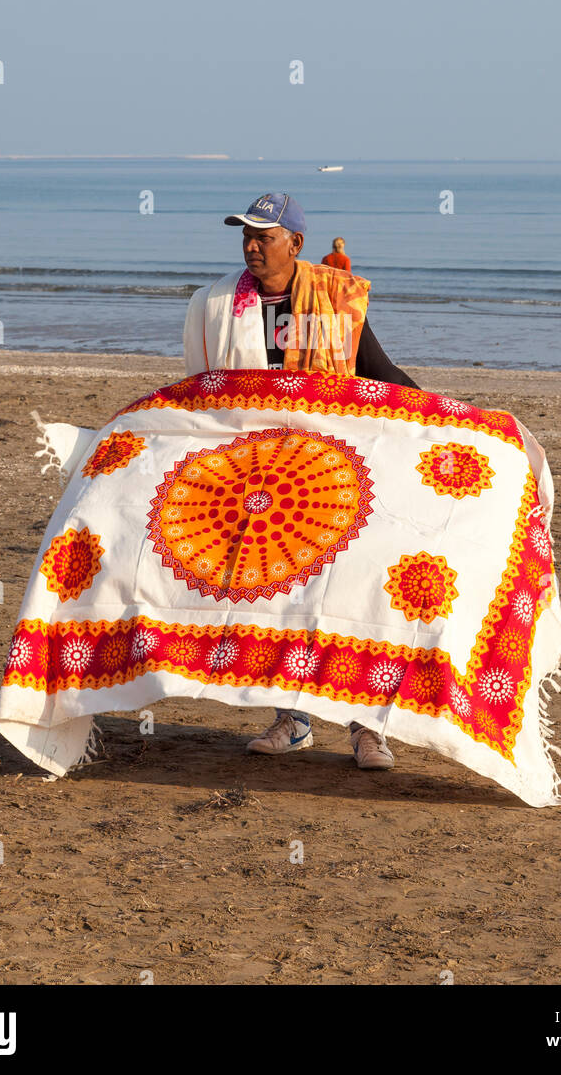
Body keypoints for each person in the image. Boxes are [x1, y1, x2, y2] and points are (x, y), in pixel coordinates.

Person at [183, 193, 419, 769]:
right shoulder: (215, 304)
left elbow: (378, 373)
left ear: (297, 243)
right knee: (283, 599)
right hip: (257, 478)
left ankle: (367, 729)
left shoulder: (334, 300)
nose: (251, 246)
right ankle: (294, 720)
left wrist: (445, 415)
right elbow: (201, 389)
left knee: (353, 594)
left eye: (264, 236)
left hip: (333, 475)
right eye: (245, 235)